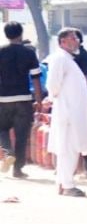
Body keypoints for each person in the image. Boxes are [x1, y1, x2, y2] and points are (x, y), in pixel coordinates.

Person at [42, 28, 87, 197]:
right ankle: (67, 184)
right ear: (63, 42)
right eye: (73, 38)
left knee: (69, 147)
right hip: (68, 112)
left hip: (73, 111)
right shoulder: (60, 58)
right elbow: (53, 85)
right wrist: (54, 98)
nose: (77, 41)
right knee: (68, 148)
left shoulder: (67, 59)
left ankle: (63, 182)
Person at [0, 20, 43, 178]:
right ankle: (18, 169)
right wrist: (38, 101)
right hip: (24, 99)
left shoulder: (1, 51)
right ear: (21, 34)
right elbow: (36, 78)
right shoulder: (29, 53)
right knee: (21, 135)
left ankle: (7, 151)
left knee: (1, 129)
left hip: (3, 99)